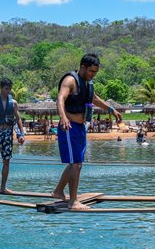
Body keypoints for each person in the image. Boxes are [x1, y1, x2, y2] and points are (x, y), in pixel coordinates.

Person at [52, 53, 121, 210]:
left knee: (77, 164)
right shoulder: (70, 80)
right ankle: (73, 202)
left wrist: (112, 110)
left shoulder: (88, 83)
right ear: (83, 66)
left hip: (80, 128)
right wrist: (63, 117)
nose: (92, 75)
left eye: (95, 72)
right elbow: (60, 98)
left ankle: (58, 191)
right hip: (69, 127)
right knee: (75, 164)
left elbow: (95, 99)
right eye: (91, 71)